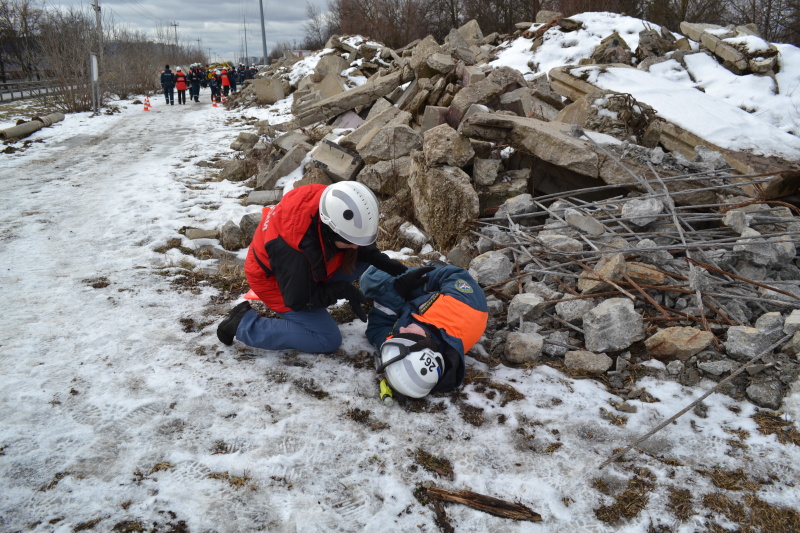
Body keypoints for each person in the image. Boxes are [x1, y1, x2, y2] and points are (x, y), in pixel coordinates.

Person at [216, 182, 408, 354]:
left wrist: (387, 264)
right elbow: (299, 299)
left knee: (364, 258)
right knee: (326, 339)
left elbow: (357, 240)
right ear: (331, 231)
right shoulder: (293, 251)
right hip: (274, 283)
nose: (356, 246)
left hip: (305, 266)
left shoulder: (334, 202)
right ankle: (244, 324)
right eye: (350, 241)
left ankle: (368, 281)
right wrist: (340, 290)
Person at [360, 263, 488, 398]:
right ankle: (434, 264)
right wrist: (422, 278)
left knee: (368, 282)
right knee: (372, 279)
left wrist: (396, 290)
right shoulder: (467, 309)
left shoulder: (400, 349)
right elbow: (454, 275)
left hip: (408, 305)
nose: (401, 329)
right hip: (431, 289)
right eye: (407, 335)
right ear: (427, 342)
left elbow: (377, 328)